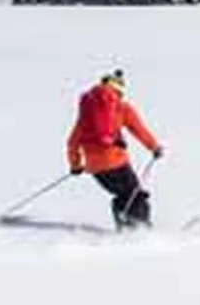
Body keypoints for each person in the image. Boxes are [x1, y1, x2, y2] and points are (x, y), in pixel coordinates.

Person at [66, 68, 164, 230]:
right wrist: (154, 147)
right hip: (116, 162)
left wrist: (75, 165)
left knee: (123, 195)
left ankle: (124, 228)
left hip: (95, 168)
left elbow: (72, 142)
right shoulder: (122, 108)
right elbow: (139, 130)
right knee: (135, 195)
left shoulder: (87, 113)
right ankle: (142, 231)